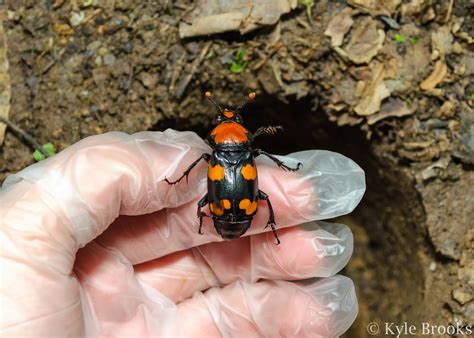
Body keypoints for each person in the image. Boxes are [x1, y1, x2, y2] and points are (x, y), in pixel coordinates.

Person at [0, 129, 365, 337]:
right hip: (235, 216)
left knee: (269, 200)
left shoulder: (214, 157)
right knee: (269, 199)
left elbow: (194, 162)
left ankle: (253, 223)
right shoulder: (245, 156)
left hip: (222, 217)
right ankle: (265, 225)